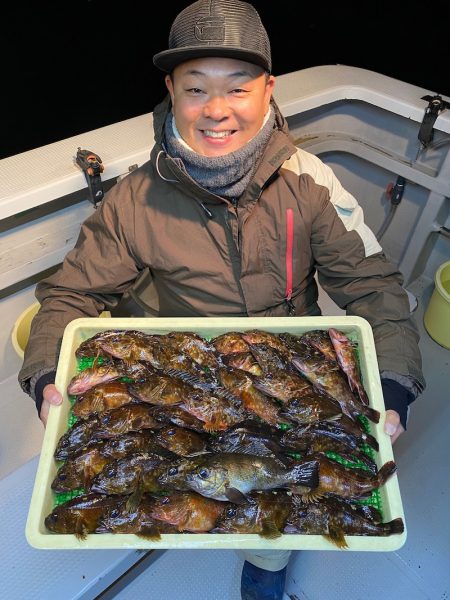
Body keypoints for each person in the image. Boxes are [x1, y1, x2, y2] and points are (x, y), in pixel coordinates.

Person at [19, 0, 425, 598]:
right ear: (171, 91)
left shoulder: (310, 183)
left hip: (290, 368)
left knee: (286, 482)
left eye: (237, 87)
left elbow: (372, 287)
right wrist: (45, 375)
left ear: (268, 89)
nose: (216, 110)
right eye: (196, 88)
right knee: (178, 473)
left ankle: (267, 564)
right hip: (184, 364)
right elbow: (71, 293)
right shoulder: (133, 199)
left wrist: (392, 382)